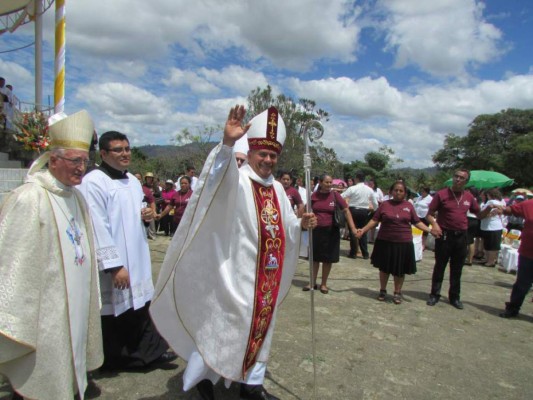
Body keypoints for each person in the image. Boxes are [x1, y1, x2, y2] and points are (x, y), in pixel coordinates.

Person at [149, 105, 317, 400]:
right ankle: (199, 379)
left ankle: (252, 385)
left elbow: (286, 225)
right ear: (250, 153)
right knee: (223, 327)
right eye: (262, 153)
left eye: (272, 155)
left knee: (262, 329)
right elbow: (216, 180)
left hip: (267, 276)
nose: (267, 159)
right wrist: (227, 144)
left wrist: (301, 223)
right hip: (236, 272)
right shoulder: (237, 180)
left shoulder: (277, 188)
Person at [0, 110, 103, 400]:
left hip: (76, 298)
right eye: (75, 161)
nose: (82, 167)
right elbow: (13, 265)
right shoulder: (30, 197)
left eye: (85, 161)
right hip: (47, 308)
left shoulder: (77, 197)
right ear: (53, 160)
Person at [78, 131, 175, 370]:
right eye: (118, 150)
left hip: (138, 256)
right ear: (103, 153)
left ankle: (148, 352)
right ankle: (118, 358)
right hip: (115, 261)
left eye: (127, 149)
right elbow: (96, 226)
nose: (125, 154)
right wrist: (114, 266)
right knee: (114, 313)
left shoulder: (132, 180)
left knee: (140, 306)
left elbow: (138, 210)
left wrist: (147, 215)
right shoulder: (93, 182)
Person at [357, 181, 433, 304]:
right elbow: (374, 220)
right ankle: (382, 290)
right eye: (395, 190)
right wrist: (363, 230)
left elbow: (416, 222)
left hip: (403, 242)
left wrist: (430, 230)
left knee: (400, 270)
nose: (398, 193)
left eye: (401, 191)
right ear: (391, 191)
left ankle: (397, 292)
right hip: (385, 241)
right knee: (384, 268)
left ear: (404, 193)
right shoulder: (384, 205)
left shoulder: (409, 206)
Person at [425, 169, 491, 309]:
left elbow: (479, 215)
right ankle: (434, 294)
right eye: (456, 176)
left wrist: (489, 208)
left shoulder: (468, 197)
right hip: (444, 235)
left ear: (466, 181)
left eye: (462, 178)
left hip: (461, 236)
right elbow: (429, 214)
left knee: (457, 268)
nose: (458, 179)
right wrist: (435, 224)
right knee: (440, 266)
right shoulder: (441, 194)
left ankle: (454, 297)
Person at [305, 174, 357, 294]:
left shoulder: (335, 195)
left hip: (331, 231)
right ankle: (312, 282)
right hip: (316, 231)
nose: (329, 185)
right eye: (326, 182)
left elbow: (346, 210)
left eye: (330, 182)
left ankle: (324, 284)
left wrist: (353, 228)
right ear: (321, 182)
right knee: (315, 258)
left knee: (327, 259)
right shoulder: (314, 196)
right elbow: (307, 210)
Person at [498, 198, 533, 318]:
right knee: (522, 284)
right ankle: (513, 308)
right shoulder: (529, 204)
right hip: (528, 253)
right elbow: (511, 210)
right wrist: (501, 209)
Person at [341, 172, 378, 259]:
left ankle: (353, 253)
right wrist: (374, 210)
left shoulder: (352, 188)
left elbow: (341, 196)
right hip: (364, 211)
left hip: (353, 210)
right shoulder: (369, 189)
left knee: (352, 231)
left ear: (356, 179)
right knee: (363, 232)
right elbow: (375, 203)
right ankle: (365, 253)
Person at [479, 188, 506, 267]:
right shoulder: (501, 203)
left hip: (492, 226)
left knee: (491, 246)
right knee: (490, 245)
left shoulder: (491, 202)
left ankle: (490, 261)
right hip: (491, 226)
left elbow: (484, 213)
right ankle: (489, 260)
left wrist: (489, 214)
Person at [414, 186, 433, 251]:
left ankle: (423, 245)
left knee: (424, 232)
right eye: (421, 191)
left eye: (423, 191)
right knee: (416, 230)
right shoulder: (419, 198)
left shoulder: (430, 199)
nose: (422, 193)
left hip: (425, 216)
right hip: (417, 215)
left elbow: (432, 208)